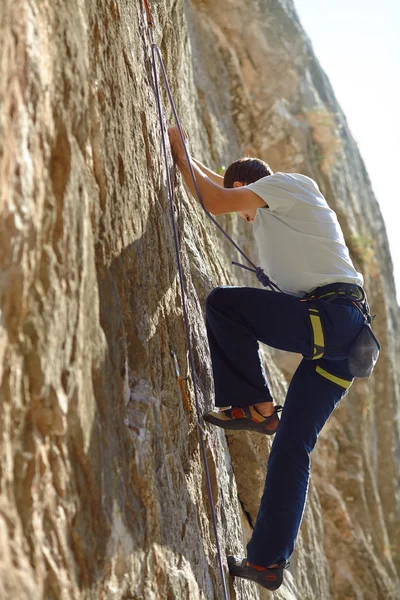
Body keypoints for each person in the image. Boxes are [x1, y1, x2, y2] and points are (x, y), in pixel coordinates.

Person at [168, 126, 367, 592]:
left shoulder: (287, 186)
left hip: (331, 319)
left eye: (245, 208)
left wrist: (175, 147)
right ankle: (266, 563)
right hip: (343, 342)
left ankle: (253, 407)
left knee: (223, 304)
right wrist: (193, 160)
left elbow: (217, 199)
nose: (245, 219)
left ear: (247, 189)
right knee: (291, 450)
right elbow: (220, 188)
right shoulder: (282, 207)